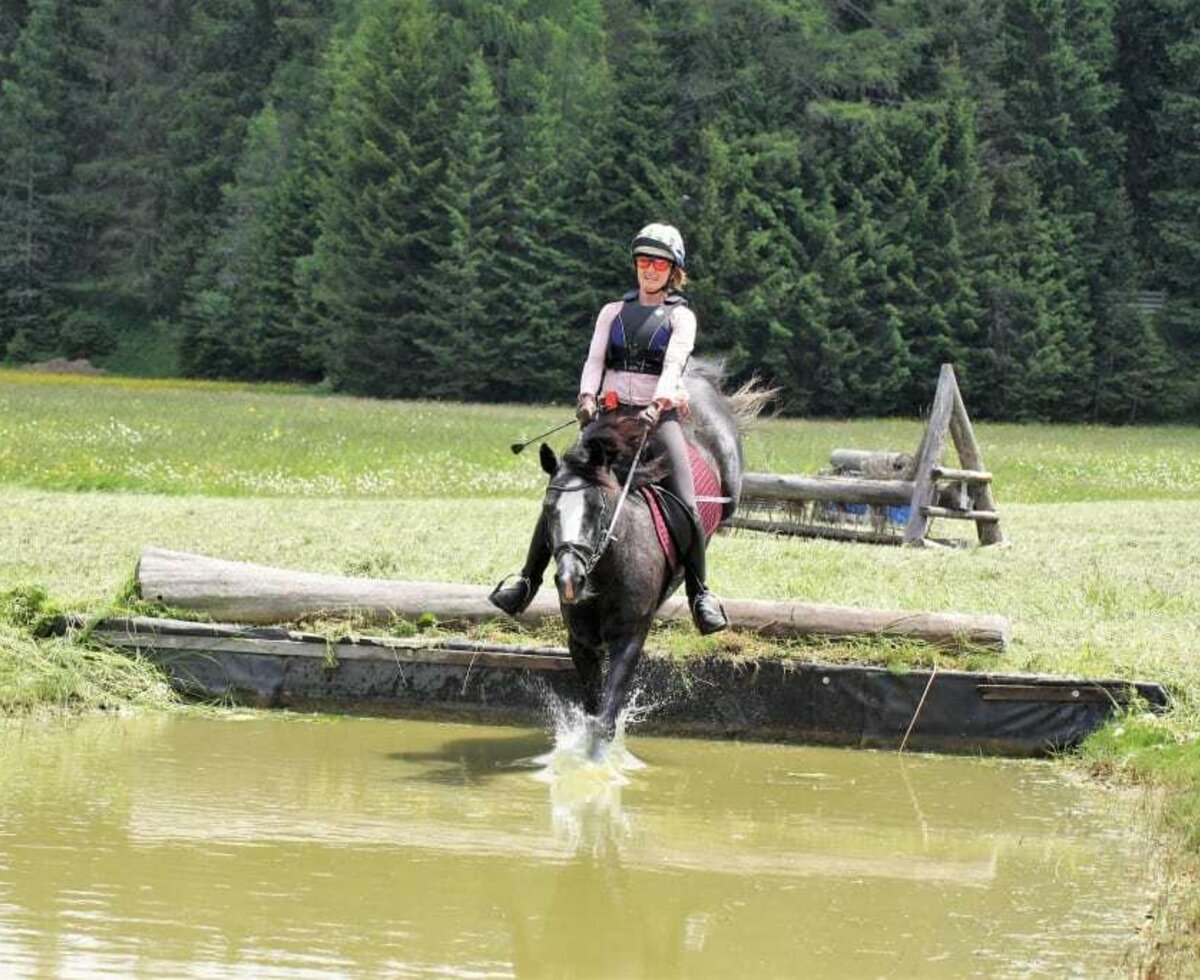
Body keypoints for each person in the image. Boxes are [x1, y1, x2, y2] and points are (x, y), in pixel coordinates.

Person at [489, 223, 729, 634]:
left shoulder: (681, 317)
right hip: (611, 418)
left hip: (658, 420)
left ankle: (700, 594)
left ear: (673, 270)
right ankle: (527, 579)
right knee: (564, 489)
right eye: (643, 262)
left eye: (657, 263)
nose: (649, 270)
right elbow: (594, 362)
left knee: (687, 503)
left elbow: (673, 366)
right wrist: (586, 397)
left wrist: (658, 403)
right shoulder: (611, 312)